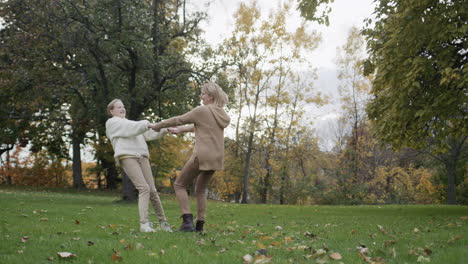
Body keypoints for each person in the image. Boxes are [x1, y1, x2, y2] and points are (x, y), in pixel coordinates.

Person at [152, 82, 230, 233]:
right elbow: (199, 126)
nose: (200, 96)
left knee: (179, 184)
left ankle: (187, 222)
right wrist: (181, 130)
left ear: (211, 96)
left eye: (203, 94)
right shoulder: (220, 113)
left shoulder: (202, 110)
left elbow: (179, 119)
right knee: (200, 189)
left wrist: (158, 125)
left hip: (202, 155)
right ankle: (200, 225)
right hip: (216, 157)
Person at [105, 99, 173, 233]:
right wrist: (147, 123)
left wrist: (165, 129)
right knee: (144, 188)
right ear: (111, 111)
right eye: (119, 107)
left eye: (123, 106)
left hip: (142, 156)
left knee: (152, 190)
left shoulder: (133, 124)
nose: (122, 109)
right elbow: (132, 127)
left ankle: (163, 222)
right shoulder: (112, 123)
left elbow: (148, 133)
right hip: (127, 156)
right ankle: (144, 224)